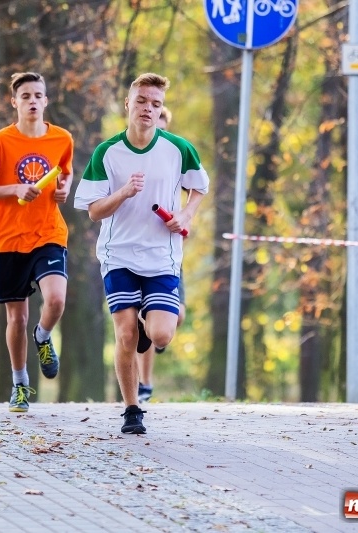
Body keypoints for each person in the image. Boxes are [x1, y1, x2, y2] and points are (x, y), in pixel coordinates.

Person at [74, 73, 210, 434]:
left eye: (155, 104)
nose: (148, 109)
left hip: (162, 256)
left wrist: (185, 214)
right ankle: (132, 410)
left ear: (161, 108)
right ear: (128, 105)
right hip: (118, 255)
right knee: (125, 336)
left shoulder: (178, 148)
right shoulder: (108, 152)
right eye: (142, 102)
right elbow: (93, 210)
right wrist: (122, 193)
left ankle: (148, 328)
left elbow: (199, 188)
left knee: (162, 335)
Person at [0, 72, 74, 413]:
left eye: (37, 95)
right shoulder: (0, 141)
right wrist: (13, 189)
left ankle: (43, 337)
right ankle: (20, 385)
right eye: (25, 95)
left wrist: (64, 188)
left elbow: (65, 171)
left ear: (46, 101)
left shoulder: (61, 138)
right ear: (14, 102)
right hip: (9, 239)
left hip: (48, 233)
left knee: (56, 300)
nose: (32, 100)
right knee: (17, 319)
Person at [137, 105, 187, 404]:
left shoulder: (176, 162)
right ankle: (144, 384)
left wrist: (184, 220)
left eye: (165, 128)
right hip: (135, 254)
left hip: (169, 253)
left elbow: (192, 199)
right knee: (142, 321)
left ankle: (158, 331)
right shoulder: (132, 159)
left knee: (176, 315)